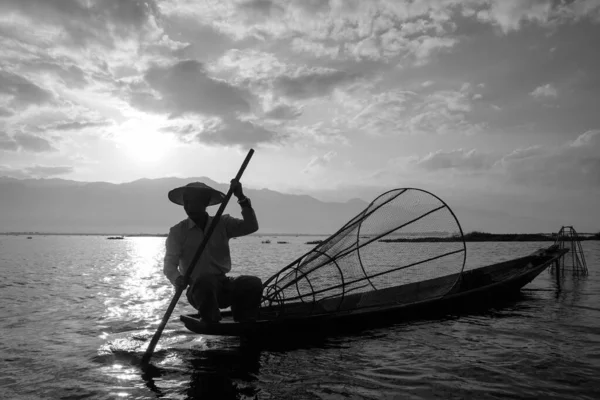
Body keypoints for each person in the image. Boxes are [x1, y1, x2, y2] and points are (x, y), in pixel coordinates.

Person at [163, 180, 262, 323]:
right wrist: (178, 279)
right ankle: (210, 319)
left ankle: (243, 319)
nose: (189, 206)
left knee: (252, 283)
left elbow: (251, 226)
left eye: (194, 201)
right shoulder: (178, 231)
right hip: (198, 290)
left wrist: (241, 198)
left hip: (223, 285)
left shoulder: (222, 223)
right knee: (204, 281)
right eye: (186, 202)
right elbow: (169, 265)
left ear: (205, 203)